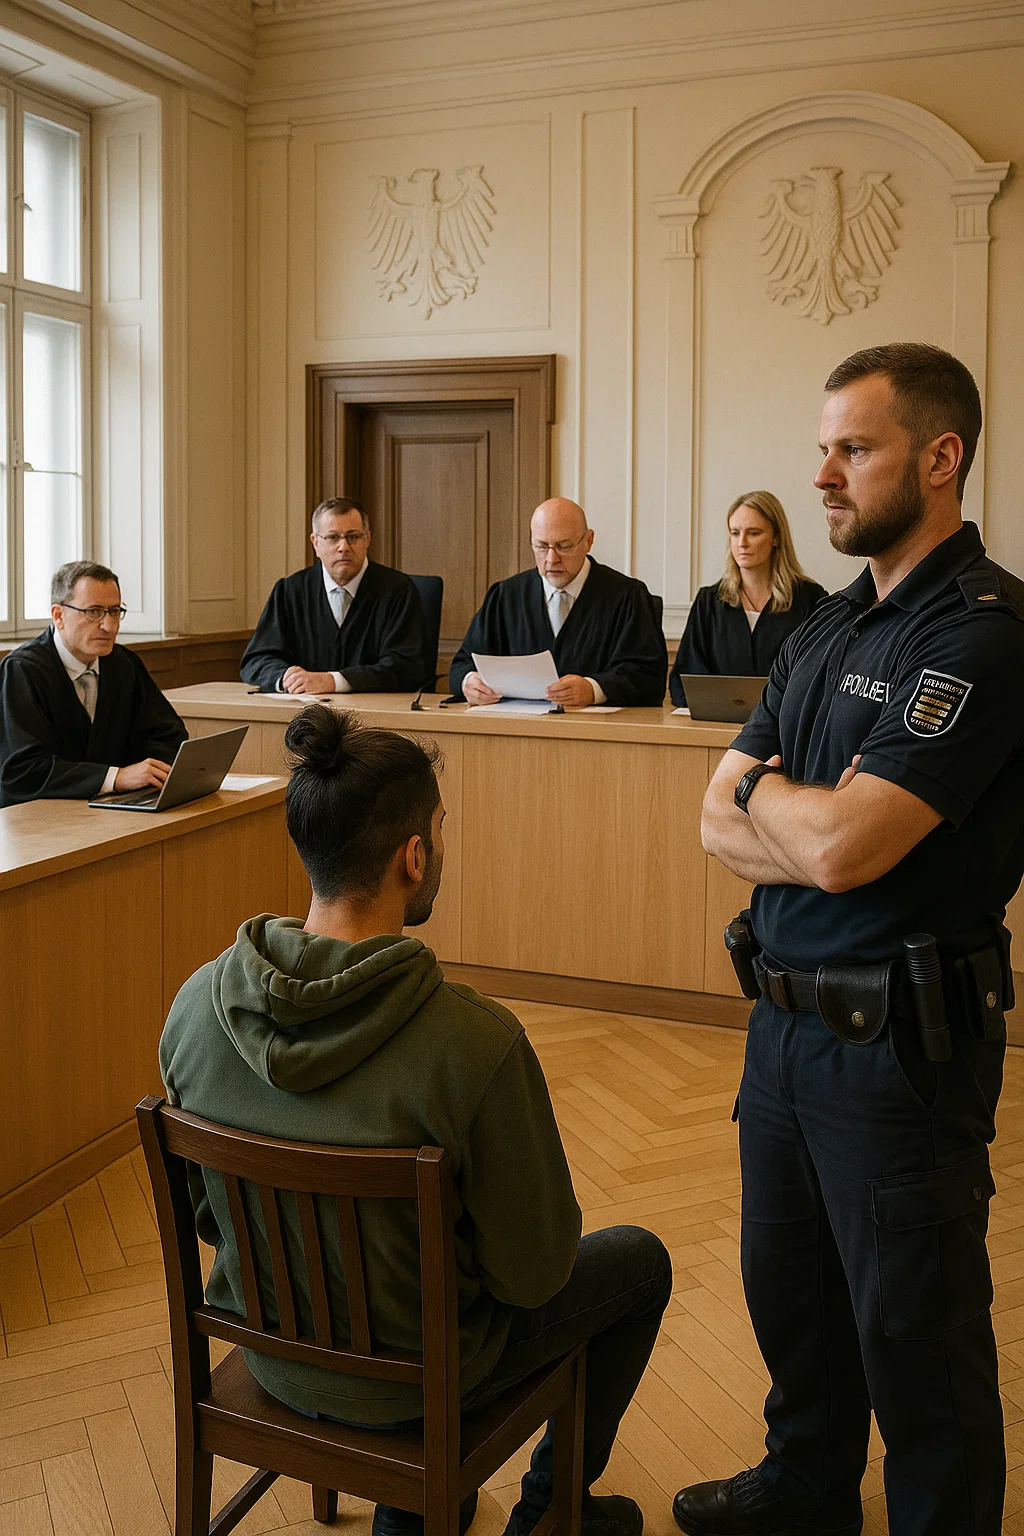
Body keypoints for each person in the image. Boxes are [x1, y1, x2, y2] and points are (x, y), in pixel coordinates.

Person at [161, 703, 672, 1536]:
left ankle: (429, 1506)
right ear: (414, 854)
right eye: (441, 829)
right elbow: (533, 1275)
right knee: (639, 1263)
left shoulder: (194, 1007)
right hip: (422, 1383)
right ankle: (549, 1512)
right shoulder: (474, 1042)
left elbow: (206, 1216)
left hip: (270, 1351)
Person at [672, 342, 1024, 1536]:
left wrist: (776, 803)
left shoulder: (981, 635)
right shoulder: (823, 630)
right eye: (822, 447)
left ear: (940, 458)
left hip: (900, 1049)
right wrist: (793, 805)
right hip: (780, 1031)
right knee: (794, 1297)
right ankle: (805, 1488)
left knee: (915, 1335)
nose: (821, 475)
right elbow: (711, 816)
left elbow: (838, 849)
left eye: (852, 449)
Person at [0, 560, 187, 807]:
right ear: (58, 615)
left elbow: (168, 735)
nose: (109, 626)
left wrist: (150, 773)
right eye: (94, 612)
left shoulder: (122, 663)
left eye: (114, 611)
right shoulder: (23, 670)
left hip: (114, 811)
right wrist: (116, 777)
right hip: (39, 821)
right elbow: (23, 771)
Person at [449, 498, 667, 707]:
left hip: (599, 732)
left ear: (588, 541)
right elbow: (463, 664)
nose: (551, 559)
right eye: (541, 546)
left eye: (564, 546)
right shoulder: (506, 595)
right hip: (518, 729)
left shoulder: (628, 596)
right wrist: (469, 682)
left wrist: (593, 690)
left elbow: (648, 678)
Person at [241, 497, 426, 694]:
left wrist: (334, 681)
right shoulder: (290, 591)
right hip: (303, 714)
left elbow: (407, 666)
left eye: (353, 537)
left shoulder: (398, 590)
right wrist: (288, 678)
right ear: (316, 543)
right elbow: (257, 660)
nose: (344, 547)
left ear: (367, 540)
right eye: (332, 537)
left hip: (376, 715)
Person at [668, 492, 827, 707]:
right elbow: (683, 681)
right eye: (735, 533)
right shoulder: (709, 601)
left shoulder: (811, 599)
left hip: (785, 731)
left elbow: (819, 678)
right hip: (714, 727)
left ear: (776, 537)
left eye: (754, 533)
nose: (742, 543)